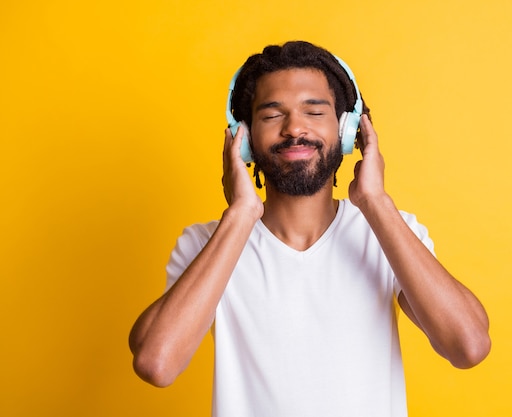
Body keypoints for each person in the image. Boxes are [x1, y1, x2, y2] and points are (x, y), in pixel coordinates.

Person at [129, 40, 490, 417]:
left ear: (349, 130)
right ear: (245, 138)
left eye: (314, 112)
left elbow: (468, 345)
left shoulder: (388, 235)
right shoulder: (206, 244)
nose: (294, 128)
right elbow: (157, 363)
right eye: (272, 115)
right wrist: (240, 215)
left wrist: (376, 202)